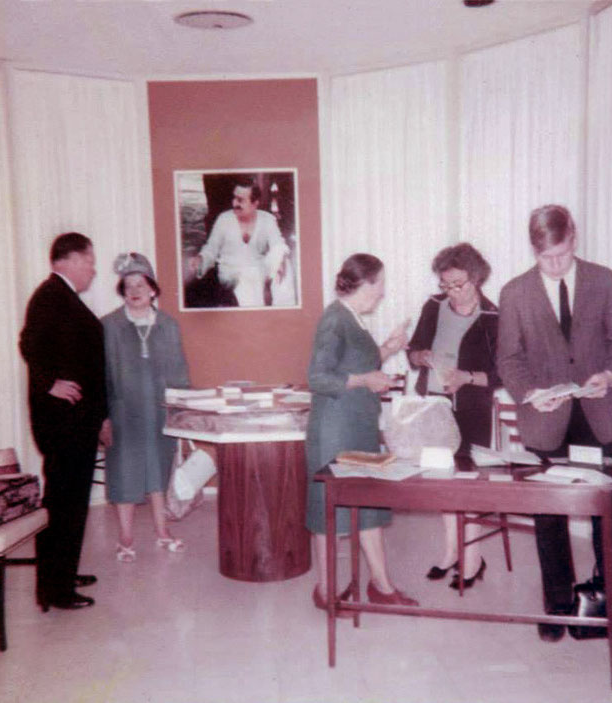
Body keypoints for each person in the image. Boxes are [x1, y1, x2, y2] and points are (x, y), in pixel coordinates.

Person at [497, 204, 612, 642]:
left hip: (595, 414)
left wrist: (608, 375)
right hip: (545, 417)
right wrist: (529, 394)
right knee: (549, 513)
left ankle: (609, 595)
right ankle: (558, 603)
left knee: (604, 509)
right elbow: (508, 358)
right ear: (533, 251)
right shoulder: (514, 292)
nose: (555, 266)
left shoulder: (603, 279)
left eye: (561, 254)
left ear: (573, 237)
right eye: (545, 259)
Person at [306, 253, 418, 611]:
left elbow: (357, 363)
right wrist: (368, 380)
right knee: (329, 511)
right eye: (380, 284)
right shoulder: (334, 319)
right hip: (335, 431)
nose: (383, 292)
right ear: (366, 283)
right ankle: (326, 592)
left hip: (356, 426)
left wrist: (389, 348)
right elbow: (318, 377)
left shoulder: (352, 319)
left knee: (368, 505)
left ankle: (381, 586)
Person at [20, 232, 108, 611]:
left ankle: (62, 573)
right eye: (89, 260)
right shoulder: (50, 296)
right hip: (63, 424)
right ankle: (54, 590)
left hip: (76, 422)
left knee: (71, 502)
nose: (93, 268)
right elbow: (28, 343)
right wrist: (48, 383)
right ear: (69, 259)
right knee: (63, 503)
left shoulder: (62, 296)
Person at [408, 243, 500, 590]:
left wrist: (466, 378)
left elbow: (501, 373)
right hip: (434, 407)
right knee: (441, 481)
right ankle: (450, 551)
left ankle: (473, 558)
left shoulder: (493, 317)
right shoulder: (433, 306)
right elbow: (413, 350)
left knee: (468, 483)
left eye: (457, 284)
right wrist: (420, 356)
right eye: (445, 284)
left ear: (476, 278)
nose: (450, 292)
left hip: (473, 409)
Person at [102, 253, 191, 562]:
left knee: (158, 471)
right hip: (122, 414)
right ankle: (125, 537)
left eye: (141, 284)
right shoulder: (109, 326)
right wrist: (103, 418)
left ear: (153, 289)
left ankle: (162, 531)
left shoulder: (168, 325)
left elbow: (179, 373)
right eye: (128, 285)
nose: (134, 290)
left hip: (159, 412)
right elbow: (100, 376)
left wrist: (180, 410)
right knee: (124, 472)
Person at [189, 178, 290, 307]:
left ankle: (283, 312)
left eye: (240, 200)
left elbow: (278, 244)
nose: (234, 203)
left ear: (255, 203)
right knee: (247, 281)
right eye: (234, 198)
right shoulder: (224, 219)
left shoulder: (267, 219)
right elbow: (211, 249)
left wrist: (280, 261)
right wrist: (201, 259)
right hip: (230, 273)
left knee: (286, 264)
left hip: (258, 270)